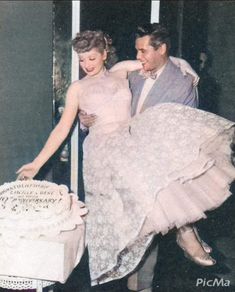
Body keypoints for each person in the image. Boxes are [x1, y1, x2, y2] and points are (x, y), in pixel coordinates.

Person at [17, 29, 235, 290]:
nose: (86, 65)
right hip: (102, 150)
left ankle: (182, 235)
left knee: (158, 185)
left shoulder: (122, 70)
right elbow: (62, 129)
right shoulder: (77, 88)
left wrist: (187, 66)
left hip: (129, 140)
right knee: (144, 195)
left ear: (105, 54)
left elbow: (167, 61)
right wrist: (36, 164)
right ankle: (185, 234)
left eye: (92, 59)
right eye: (82, 60)